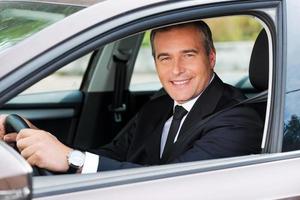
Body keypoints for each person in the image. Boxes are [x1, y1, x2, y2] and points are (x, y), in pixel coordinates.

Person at [0, 21, 263, 173]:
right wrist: (41, 142)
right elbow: (111, 154)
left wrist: (72, 159)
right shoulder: (158, 106)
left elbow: (172, 182)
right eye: (165, 58)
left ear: (212, 58)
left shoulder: (238, 118)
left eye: (189, 55)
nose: (176, 70)